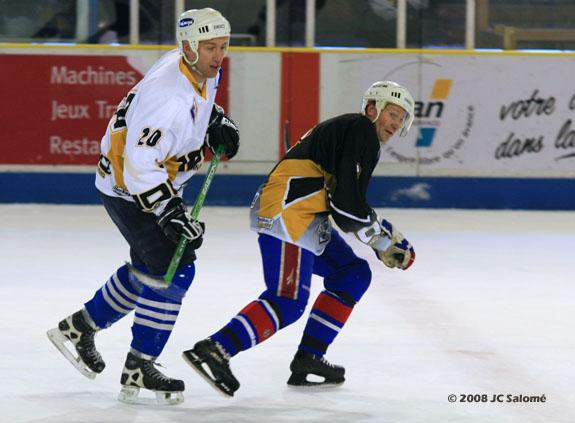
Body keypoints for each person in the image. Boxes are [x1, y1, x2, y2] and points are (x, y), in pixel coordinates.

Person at [46, 8, 240, 405]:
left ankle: (80, 327)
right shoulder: (167, 97)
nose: (218, 55)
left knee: (149, 267)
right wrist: (167, 211)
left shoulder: (196, 67)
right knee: (174, 268)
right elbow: (139, 164)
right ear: (188, 46)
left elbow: (197, 107)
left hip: (149, 182)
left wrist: (215, 120)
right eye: (209, 47)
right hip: (130, 188)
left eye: (222, 46)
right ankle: (140, 363)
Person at [182, 81, 416, 397]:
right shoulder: (361, 130)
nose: (395, 123)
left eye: (401, 118)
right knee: (288, 299)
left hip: (306, 216)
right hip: (289, 213)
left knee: (352, 274)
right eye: (392, 113)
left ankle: (309, 358)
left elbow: (346, 205)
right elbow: (347, 207)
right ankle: (216, 349)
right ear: (372, 109)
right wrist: (385, 241)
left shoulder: (354, 132)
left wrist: (381, 236)